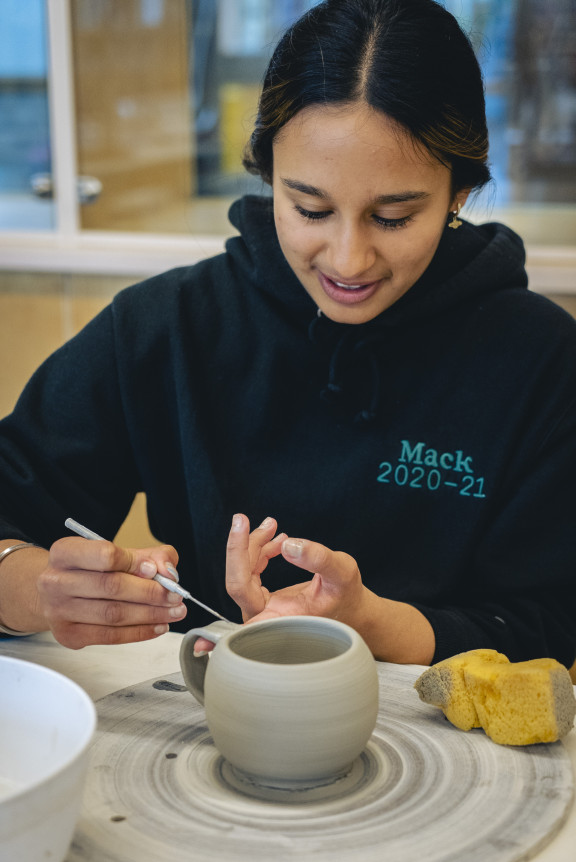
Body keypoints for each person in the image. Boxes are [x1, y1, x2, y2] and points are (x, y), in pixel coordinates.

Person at [1, 0, 575, 668]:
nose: (348, 259)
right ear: (267, 170)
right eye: (310, 208)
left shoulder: (540, 362)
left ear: (460, 192)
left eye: (393, 217)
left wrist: (368, 621)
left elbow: (551, 622)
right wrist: (38, 591)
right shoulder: (172, 326)